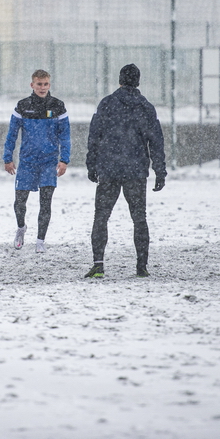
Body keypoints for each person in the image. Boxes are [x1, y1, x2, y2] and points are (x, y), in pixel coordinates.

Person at [84, 64, 166, 279]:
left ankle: (98, 265)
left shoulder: (107, 103)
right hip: (136, 170)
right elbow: (156, 141)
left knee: (101, 217)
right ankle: (141, 266)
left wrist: (91, 164)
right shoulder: (146, 107)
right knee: (139, 218)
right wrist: (160, 170)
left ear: (119, 80)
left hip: (109, 169)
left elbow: (94, 136)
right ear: (138, 81)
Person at [2, 69, 71, 253]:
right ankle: (21, 227)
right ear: (32, 85)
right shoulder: (23, 106)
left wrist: (64, 159)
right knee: (19, 202)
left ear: (49, 84)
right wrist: (7, 157)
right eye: (39, 84)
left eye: (45, 84)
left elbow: (65, 136)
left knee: (46, 202)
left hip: (49, 162)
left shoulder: (58, 106)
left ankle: (40, 240)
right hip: (27, 162)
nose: (42, 87)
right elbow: (12, 134)